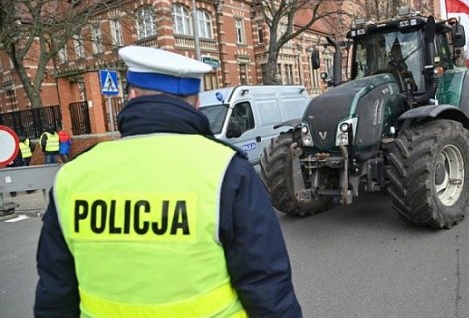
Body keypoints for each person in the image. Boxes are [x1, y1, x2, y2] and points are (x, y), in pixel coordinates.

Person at [34, 45, 302, 317]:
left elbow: (54, 295)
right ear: (196, 102)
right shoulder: (226, 171)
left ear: (131, 95)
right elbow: (267, 287)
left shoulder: (74, 176)